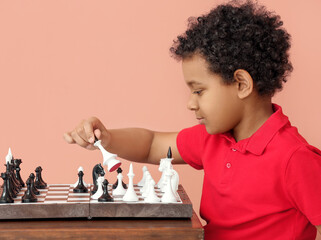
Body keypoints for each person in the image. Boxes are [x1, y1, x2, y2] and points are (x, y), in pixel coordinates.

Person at [63, 1, 321, 239]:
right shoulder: (212, 139)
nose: (190, 103)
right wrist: (107, 137)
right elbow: (152, 144)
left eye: (199, 91)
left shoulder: (295, 158)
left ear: (241, 84)